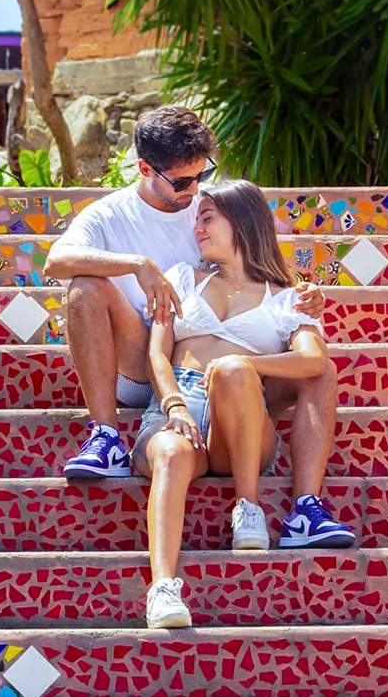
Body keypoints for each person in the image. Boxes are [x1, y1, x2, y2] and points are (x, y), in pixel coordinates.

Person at [44, 105, 355, 549]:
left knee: (320, 370)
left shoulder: (208, 204)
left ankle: (306, 508)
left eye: (202, 174)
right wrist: (137, 267)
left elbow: (254, 256)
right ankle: (107, 435)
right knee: (85, 287)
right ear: (145, 168)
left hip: (239, 379)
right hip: (150, 360)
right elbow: (56, 261)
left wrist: (300, 297)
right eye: (183, 182)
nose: (195, 191)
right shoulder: (110, 215)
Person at [133, 180, 335, 628]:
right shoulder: (182, 278)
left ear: (241, 221)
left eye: (208, 217)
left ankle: (248, 506)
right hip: (178, 401)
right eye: (198, 220)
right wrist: (173, 405)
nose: (198, 228)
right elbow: (155, 353)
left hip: (240, 422)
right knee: (168, 453)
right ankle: (163, 590)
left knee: (232, 369)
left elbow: (314, 360)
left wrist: (246, 361)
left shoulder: (284, 297)